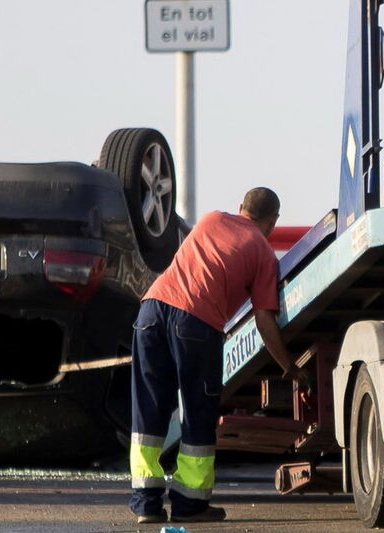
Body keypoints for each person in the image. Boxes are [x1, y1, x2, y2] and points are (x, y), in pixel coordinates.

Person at [128, 187, 306, 524]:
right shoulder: (263, 253)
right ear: (273, 221)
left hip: (151, 311)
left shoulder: (210, 219)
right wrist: (289, 366)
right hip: (195, 323)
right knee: (198, 411)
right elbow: (264, 320)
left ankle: (146, 504)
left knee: (148, 409)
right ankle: (190, 504)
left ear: (240, 207)